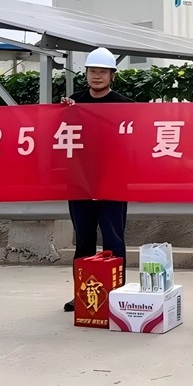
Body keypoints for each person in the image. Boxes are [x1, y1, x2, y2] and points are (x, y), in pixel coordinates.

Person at [61, 47, 135, 312]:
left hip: (113, 182)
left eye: (103, 72)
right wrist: (63, 111)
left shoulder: (126, 106)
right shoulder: (74, 102)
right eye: (92, 71)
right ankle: (83, 294)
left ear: (112, 75)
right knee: (84, 239)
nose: (97, 76)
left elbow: (134, 143)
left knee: (113, 239)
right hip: (81, 182)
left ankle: (116, 293)